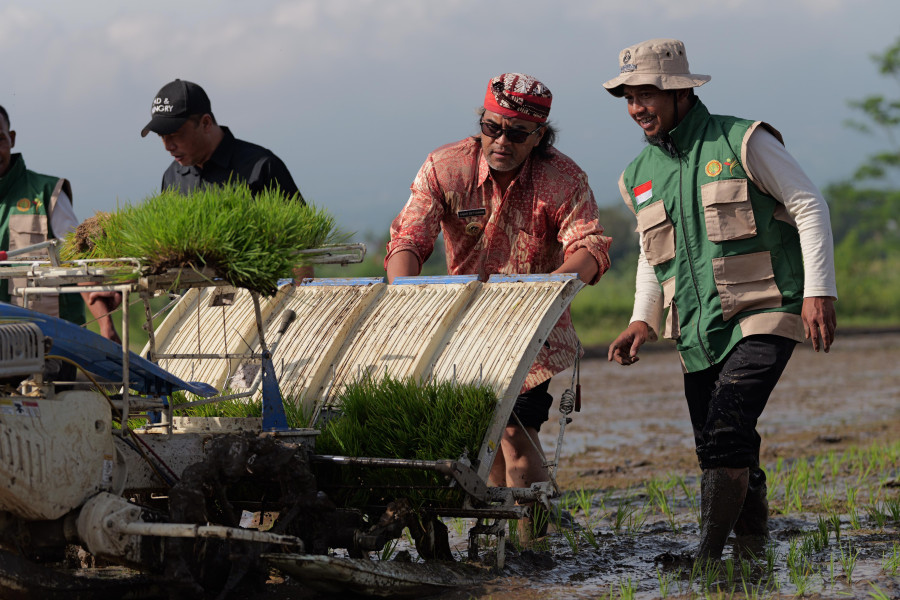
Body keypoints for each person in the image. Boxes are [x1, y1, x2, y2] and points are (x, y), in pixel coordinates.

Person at [603, 39, 837, 560]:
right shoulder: (638, 175)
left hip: (766, 310)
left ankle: (706, 559)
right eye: (628, 97)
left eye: (647, 94)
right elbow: (650, 253)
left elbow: (808, 203)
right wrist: (642, 319)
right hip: (696, 330)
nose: (636, 107)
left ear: (681, 91)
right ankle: (753, 548)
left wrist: (819, 290)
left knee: (726, 430)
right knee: (722, 442)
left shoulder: (743, 140)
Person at [385, 73, 612, 537]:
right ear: (481, 121)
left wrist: (547, 290)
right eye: (492, 128)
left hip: (532, 327)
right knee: (479, 436)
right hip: (465, 327)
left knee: (514, 435)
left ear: (539, 137)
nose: (501, 141)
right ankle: (492, 537)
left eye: (516, 133)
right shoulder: (446, 167)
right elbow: (409, 237)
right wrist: (403, 298)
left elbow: (590, 247)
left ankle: (536, 544)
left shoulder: (563, 179)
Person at [0, 104, 121, 342]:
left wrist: (105, 325)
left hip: (50, 344)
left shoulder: (47, 193)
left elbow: (79, 262)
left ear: (11, 139)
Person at [140, 79, 302, 200]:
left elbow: (305, 239)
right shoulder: (172, 176)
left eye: (175, 134)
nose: (168, 146)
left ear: (205, 123)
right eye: (161, 136)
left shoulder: (262, 168)